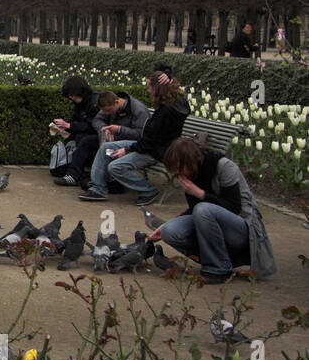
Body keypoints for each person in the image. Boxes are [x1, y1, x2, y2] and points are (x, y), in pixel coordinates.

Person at [149, 137, 276, 284]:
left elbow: (234, 207)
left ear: (190, 161)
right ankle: (215, 259)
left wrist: (199, 193)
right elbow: (193, 210)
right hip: (211, 221)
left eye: (179, 168)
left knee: (204, 210)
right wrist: (167, 224)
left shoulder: (224, 167)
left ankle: (219, 269)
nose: (177, 173)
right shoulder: (191, 173)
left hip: (243, 227)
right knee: (170, 231)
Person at [80, 71, 190, 205]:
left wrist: (127, 150)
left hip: (157, 152)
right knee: (105, 148)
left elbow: (150, 143)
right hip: (152, 146)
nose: (148, 90)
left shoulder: (165, 112)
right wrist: (168, 76)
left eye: (150, 87)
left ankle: (148, 190)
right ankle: (98, 189)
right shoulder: (178, 103)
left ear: (158, 88)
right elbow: (149, 139)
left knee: (115, 167)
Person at [50, 76, 104, 187]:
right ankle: (73, 171)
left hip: (99, 135)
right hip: (91, 134)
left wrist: (69, 125)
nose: (70, 98)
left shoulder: (94, 102)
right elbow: (77, 120)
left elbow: (93, 126)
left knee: (84, 140)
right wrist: (64, 126)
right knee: (74, 138)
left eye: (71, 95)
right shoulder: (81, 103)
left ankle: (73, 175)